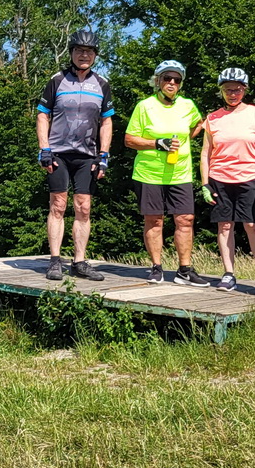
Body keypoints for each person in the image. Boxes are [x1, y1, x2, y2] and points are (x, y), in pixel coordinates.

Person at [35, 29, 115, 282]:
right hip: (58, 152)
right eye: (79, 50)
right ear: (71, 53)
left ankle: (79, 262)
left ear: (95, 56)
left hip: (87, 155)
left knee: (84, 207)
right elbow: (41, 115)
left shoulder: (102, 84)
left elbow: (106, 121)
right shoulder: (57, 80)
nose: (84, 55)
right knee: (58, 204)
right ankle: (55, 260)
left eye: (89, 51)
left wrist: (104, 155)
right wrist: (44, 149)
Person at [124, 60, 208, 285]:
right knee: (154, 221)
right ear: (158, 81)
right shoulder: (145, 106)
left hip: (180, 173)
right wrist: (156, 143)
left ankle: (184, 269)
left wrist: (185, 141)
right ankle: (156, 267)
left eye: (176, 80)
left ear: (180, 84)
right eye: (167, 78)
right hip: (149, 173)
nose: (171, 83)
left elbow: (198, 124)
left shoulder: (188, 105)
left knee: (185, 220)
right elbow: (129, 139)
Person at [199, 68, 255, 295]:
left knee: (252, 226)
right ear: (222, 91)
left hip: (250, 177)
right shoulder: (213, 118)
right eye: (228, 89)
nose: (233, 93)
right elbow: (205, 153)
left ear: (245, 90)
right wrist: (204, 183)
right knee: (224, 226)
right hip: (220, 178)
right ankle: (229, 274)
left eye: (237, 89)